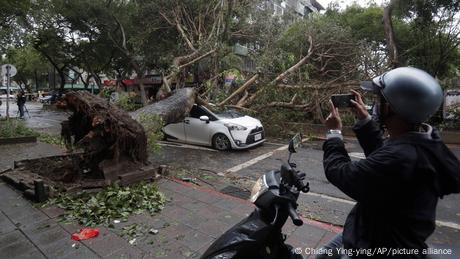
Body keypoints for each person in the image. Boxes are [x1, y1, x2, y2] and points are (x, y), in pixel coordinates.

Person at [318, 67, 460, 259]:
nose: (375, 104)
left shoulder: (402, 157)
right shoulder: (425, 140)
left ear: (392, 106)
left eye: (380, 100)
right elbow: (383, 153)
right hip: (372, 231)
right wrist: (365, 120)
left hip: (378, 247)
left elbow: (341, 173)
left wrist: (333, 134)